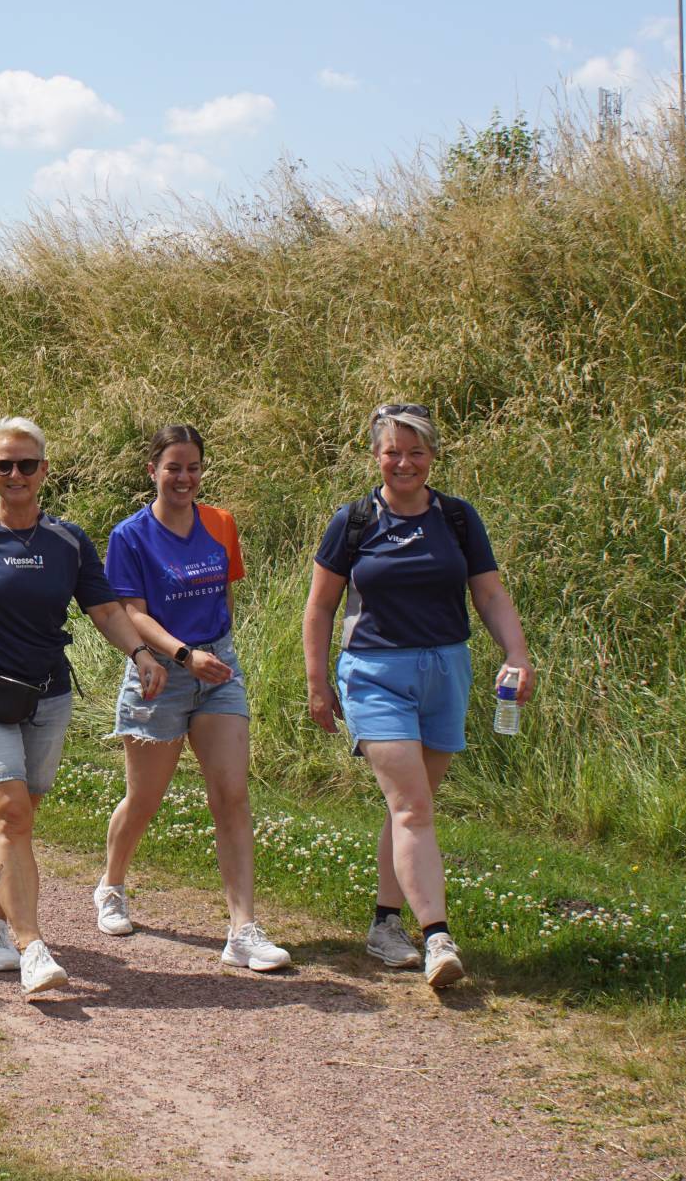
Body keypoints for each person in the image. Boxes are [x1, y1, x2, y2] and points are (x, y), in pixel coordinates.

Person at [0, 417, 167, 998]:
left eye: (27, 464)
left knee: (20, 820)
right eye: (4, 465)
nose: (16, 474)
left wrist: (141, 654)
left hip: (46, 698)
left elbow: (105, 609)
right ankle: (32, 946)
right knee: (10, 814)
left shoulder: (68, 541)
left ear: (44, 470)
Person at [302, 403, 534, 988]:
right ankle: (437, 937)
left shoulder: (457, 518)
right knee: (412, 807)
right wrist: (317, 683)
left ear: (432, 456)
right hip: (375, 673)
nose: (404, 463)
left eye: (416, 453)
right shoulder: (354, 521)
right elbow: (321, 606)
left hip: (445, 672)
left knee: (410, 808)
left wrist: (516, 653)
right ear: (375, 456)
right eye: (392, 452)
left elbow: (489, 594)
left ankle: (385, 924)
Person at [94, 424, 290, 972]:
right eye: (173, 468)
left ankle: (242, 930)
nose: (184, 478)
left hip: (218, 668)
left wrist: (215, 652)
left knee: (231, 794)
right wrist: (181, 655)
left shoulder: (221, 523)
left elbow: (224, 593)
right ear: (152, 471)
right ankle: (111, 885)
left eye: (193, 468)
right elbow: (131, 612)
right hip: (162, 671)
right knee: (145, 798)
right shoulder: (130, 536)